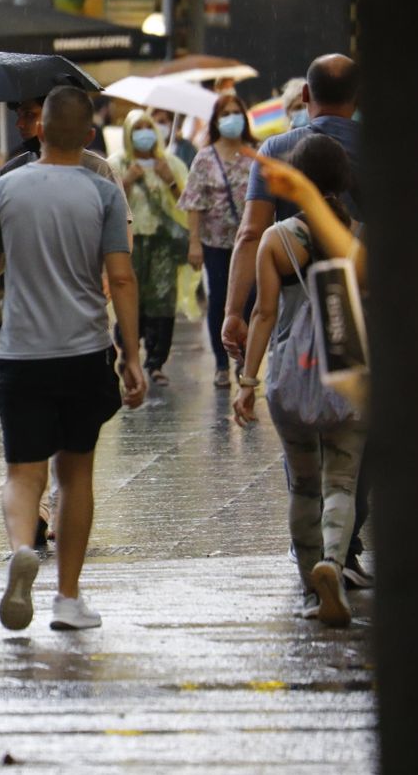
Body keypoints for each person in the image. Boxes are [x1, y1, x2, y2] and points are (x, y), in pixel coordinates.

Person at [0, 86, 146, 631]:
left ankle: (22, 548)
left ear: (40, 130)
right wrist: (133, 356)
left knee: (22, 474)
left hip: (22, 353)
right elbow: (120, 276)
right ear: (90, 137)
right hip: (84, 351)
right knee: (74, 476)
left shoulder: (7, 187)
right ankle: (68, 599)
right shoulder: (103, 193)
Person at [223, 53, 372, 587]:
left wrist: (242, 366)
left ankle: (311, 574)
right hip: (354, 351)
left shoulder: (276, 222)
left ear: (305, 97)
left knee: (303, 483)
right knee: (347, 475)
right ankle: (340, 557)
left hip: (290, 356)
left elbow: (262, 304)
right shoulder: (362, 228)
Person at [179, 94, 258, 388]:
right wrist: (194, 243)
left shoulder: (256, 153)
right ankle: (222, 364)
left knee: (250, 300)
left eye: (237, 112)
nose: (232, 118)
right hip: (215, 243)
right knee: (220, 302)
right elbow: (194, 203)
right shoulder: (205, 157)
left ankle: (245, 359)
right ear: (216, 119)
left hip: (250, 241)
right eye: (226, 113)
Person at [109, 109, 189, 385]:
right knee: (129, 299)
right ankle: (128, 353)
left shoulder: (172, 164)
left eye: (148, 127)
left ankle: (156, 362)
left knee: (162, 303)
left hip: (163, 244)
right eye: (137, 128)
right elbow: (106, 205)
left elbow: (189, 205)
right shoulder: (115, 165)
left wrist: (168, 180)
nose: (144, 133)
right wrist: (127, 182)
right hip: (128, 244)